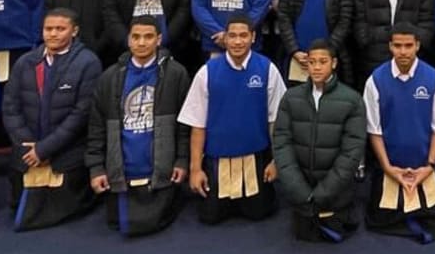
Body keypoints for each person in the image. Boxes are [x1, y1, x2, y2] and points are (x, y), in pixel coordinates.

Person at [85, 16, 191, 237]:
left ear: (159, 39)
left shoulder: (176, 74)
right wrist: (96, 169)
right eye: (136, 37)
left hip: (161, 172)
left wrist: (182, 161)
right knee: (120, 224)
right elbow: (96, 129)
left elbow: (184, 126)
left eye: (148, 36)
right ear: (129, 40)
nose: (142, 42)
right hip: (121, 172)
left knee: (157, 221)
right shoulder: (109, 77)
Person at [178, 14, 286, 224]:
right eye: (233, 36)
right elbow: (197, 126)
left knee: (260, 213)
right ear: (224, 38)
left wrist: (276, 160)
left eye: (243, 35)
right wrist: (195, 169)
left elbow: (277, 121)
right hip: (217, 161)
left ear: (253, 37)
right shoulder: (207, 72)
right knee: (210, 217)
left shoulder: (267, 69)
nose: (238, 41)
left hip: (255, 159)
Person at [3, 8, 102, 231]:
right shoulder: (26, 62)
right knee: (21, 203)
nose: (53, 34)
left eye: (60, 29)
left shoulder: (88, 63)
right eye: (49, 29)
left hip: (66, 150)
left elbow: (81, 114)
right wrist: (29, 146)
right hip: (27, 149)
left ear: (74, 31)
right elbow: (10, 107)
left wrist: (45, 149)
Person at [363, 24, 435, 243]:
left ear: (417, 46)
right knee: (381, 219)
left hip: (425, 166)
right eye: (397, 46)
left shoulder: (434, 79)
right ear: (390, 47)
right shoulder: (375, 81)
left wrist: (429, 167)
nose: (403, 51)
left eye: (408, 46)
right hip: (390, 167)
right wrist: (388, 168)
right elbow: (374, 132)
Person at [273, 39, 366, 242]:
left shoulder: (352, 100)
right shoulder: (290, 98)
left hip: (336, 193)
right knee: (303, 233)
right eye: (311, 62)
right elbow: (281, 143)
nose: (316, 67)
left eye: (322, 61)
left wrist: (324, 192)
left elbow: (352, 152)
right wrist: (299, 189)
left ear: (334, 63)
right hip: (301, 192)